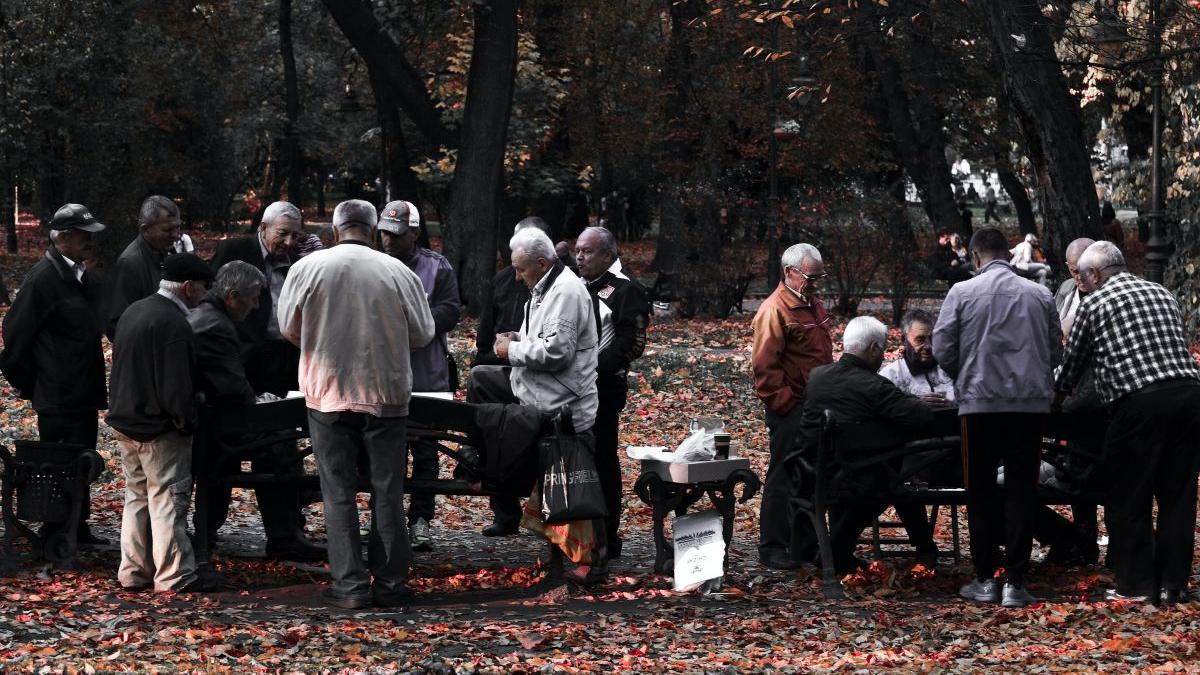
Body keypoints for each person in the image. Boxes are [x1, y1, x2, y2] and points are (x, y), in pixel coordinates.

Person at [277, 199, 435, 609]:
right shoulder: (398, 272)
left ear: (335, 230)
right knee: (388, 491)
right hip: (385, 393)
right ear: (372, 230)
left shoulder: (307, 269)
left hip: (327, 392)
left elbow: (288, 328)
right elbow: (422, 333)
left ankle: (348, 585)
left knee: (337, 492)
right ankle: (391, 584)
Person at [1055, 242, 1200, 605]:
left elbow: (1071, 367)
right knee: (1178, 496)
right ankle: (1173, 584)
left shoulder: (1094, 303)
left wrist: (1054, 396)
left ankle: (1136, 585)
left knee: (1128, 495)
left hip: (1138, 403)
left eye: (1082, 277)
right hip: (1189, 396)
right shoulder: (1161, 292)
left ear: (1094, 274)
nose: (1081, 283)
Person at [933, 226, 1062, 608]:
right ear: (1008, 254)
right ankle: (1016, 581)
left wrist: (965, 374)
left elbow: (943, 347)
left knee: (980, 490)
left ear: (975, 257)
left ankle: (985, 577)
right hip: (1029, 406)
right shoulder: (1039, 294)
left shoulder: (962, 292)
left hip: (980, 405)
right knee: (1022, 489)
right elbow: (1055, 351)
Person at [466, 226, 601, 572]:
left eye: (520, 269)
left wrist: (510, 350)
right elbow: (544, 336)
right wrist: (517, 337)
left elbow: (557, 352)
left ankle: (588, 559)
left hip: (561, 399)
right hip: (536, 388)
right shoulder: (543, 286)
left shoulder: (565, 291)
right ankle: (479, 460)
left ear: (541, 263)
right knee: (481, 379)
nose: (516, 276)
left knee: (486, 384)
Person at [188, 261, 325, 562]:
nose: (256, 306)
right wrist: (261, 401)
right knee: (279, 441)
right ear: (232, 296)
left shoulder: (205, 316)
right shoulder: (216, 326)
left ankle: (213, 528)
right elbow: (233, 388)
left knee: (274, 435)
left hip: (209, 417)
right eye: (252, 298)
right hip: (216, 424)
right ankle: (284, 534)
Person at [107, 254, 220, 593]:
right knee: (168, 500)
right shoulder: (173, 323)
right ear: (187, 286)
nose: (204, 294)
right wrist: (186, 421)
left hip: (126, 420)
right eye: (203, 286)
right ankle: (174, 576)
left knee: (137, 498)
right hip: (158, 428)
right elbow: (176, 387)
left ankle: (133, 571)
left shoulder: (135, 311)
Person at [0, 204, 109, 545]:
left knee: (81, 461)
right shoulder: (43, 279)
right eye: (83, 235)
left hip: (81, 392)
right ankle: (55, 531)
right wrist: (32, 385)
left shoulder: (79, 275)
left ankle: (77, 527)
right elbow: (14, 339)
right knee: (58, 464)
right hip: (58, 395)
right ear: (63, 238)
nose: (90, 241)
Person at [799, 316, 941, 572]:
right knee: (897, 483)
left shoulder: (817, 377)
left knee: (887, 479)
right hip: (857, 479)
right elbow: (920, 417)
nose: (883, 355)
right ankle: (839, 551)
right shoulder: (874, 386)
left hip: (811, 471)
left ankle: (838, 554)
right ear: (874, 348)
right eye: (882, 349)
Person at [377, 199, 462, 552]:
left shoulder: (437, 266)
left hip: (427, 374)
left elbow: (451, 310)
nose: (389, 240)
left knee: (426, 452)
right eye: (384, 233)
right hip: (382, 375)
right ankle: (385, 519)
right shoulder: (373, 263)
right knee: (384, 452)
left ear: (414, 233)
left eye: (396, 234)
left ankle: (421, 519)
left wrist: (414, 324)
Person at [750, 243, 834, 570]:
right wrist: (787, 406)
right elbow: (764, 368)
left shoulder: (812, 304)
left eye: (820, 278)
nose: (816, 284)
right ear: (790, 272)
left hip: (815, 406)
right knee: (783, 476)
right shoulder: (774, 310)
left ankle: (804, 546)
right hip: (791, 409)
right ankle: (772, 547)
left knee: (809, 478)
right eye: (811, 278)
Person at [473, 216, 554, 536]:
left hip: (541, 380)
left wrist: (518, 349)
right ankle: (504, 511)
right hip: (503, 370)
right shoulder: (502, 281)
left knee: (538, 445)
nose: (519, 273)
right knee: (493, 435)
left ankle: (546, 514)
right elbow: (484, 337)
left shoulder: (560, 287)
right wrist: (499, 352)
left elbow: (555, 347)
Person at [574, 226, 649, 559]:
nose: (579, 257)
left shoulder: (626, 289)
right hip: (571, 388)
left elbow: (633, 344)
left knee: (602, 459)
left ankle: (607, 536)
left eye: (587, 251)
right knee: (576, 458)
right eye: (577, 250)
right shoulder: (575, 286)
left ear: (607, 255)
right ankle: (577, 532)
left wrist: (593, 368)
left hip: (604, 389)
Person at [211, 200, 305, 396]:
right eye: (283, 233)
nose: (289, 242)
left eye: (295, 236)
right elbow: (212, 299)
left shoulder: (296, 262)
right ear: (263, 227)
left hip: (287, 357)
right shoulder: (234, 250)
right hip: (245, 356)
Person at [107, 195, 182, 337]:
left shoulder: (166, 252)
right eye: (167, 230)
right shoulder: (130, 263)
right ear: (145, 229)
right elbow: (117, 325)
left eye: (177, 227)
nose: (175, 235)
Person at [879, 309, 954, 403]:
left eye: (932, 339)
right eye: (920, 340)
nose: (928, 346)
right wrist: (915, 405)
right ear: (904, 340)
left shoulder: (950, 369)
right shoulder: (890, 377)